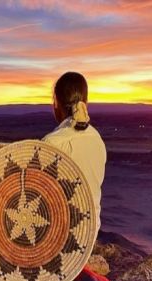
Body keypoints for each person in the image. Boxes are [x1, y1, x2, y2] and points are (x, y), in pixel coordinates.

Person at [42, 71, 106, 232]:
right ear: (86, 102)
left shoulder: (51, 143)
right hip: (89, 232)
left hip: (58, 235)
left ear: (56, 102)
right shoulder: (97, 139)